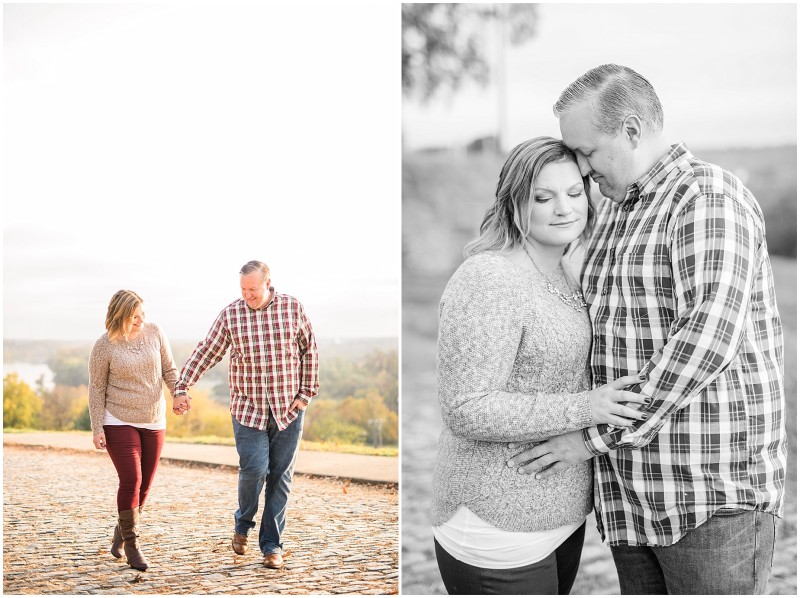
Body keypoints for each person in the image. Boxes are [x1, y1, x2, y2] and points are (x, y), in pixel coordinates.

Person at [508, 64, 787, 595]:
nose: (583, 170)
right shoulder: (614, 213)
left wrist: (589, 437)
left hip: (708, 500)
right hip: (633, 500)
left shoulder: (705, 199)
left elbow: (705, 342)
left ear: (631, 131)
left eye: (587, 152)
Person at [431, 136, 648, 595]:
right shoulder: (489, 278)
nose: (564, 208)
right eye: (543, 197)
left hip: (560, 520)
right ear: (514, 203)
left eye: (574, 193)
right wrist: (586, 408)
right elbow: (467, 408)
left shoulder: (567, 271)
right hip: (497, 523)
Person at [172, 260, 319, 569]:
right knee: (254, 469)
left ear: (268, 284)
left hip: (288, 410)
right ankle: (243, 523)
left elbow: (310, 351)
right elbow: (207, 351)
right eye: (243, 289)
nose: (248, 295)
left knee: (280, 478)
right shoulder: (231, 314)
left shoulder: (293, 308)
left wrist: (305, 395)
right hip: (247, 409)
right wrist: (183, 386)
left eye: (253, 289)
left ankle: (271, 546)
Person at [88, 289, 180, 571]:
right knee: (132, 480)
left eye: (143, 314)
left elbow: (169, 370)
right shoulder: (104, 346)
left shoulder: (155, 332)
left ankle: (120, 534)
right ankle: (132, 544)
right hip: (118, 418)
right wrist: (97, 427)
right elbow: (97, 388)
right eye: (134, 316)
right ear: (120, 316)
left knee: (146, 486)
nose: (141, 320)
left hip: (154, 418)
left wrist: (179, 393)